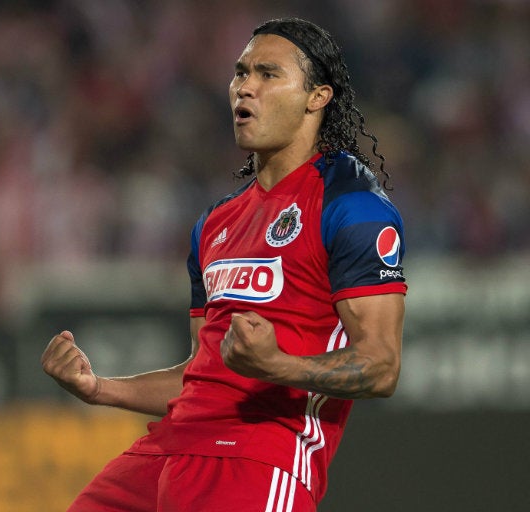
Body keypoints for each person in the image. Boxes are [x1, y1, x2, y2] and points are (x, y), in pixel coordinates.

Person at [41, 16, 407, 512]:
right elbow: (202, 372)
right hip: (166, 450)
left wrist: (278, 364)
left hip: (259, 456)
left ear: (317, 97)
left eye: (267, 74)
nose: (244, 88)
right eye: (240, 73)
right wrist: (101, 388)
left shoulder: (353, 206)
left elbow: (381, 366)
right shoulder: (215, 223)